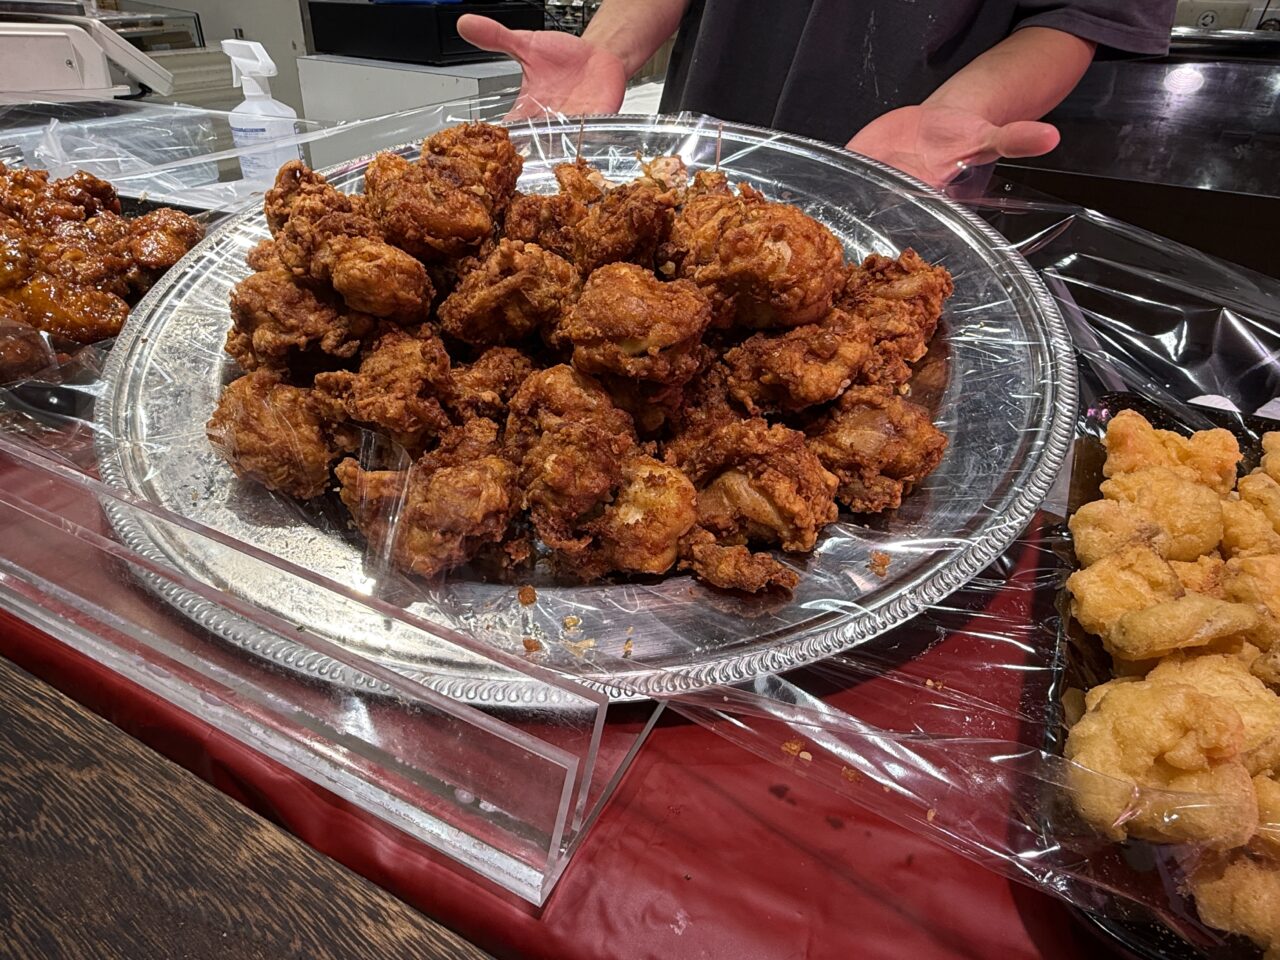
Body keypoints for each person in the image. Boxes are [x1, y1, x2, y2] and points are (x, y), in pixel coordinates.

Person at [457, 1, 1176, 188]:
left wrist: (966, 111)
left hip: (908, 167)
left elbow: (1076, 15)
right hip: (696, 158)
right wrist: (607, 51)